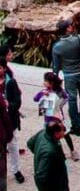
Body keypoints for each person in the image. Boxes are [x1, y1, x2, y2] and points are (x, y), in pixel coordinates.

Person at [51, 13, 80, 137]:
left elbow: (55, 68)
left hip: (69, 76)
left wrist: (54, 83)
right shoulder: (78, 39)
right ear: (67, 29)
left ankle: (75, 126)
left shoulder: (57, 47)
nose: (72, 26)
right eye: (70, 25)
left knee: (72, 100)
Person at [33, 71, 78, 164]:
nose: (44, 83)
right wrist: (42, 94)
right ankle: (57, 154)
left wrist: (59, 106)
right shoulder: (44, 91)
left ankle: (73, 151)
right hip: (48, 119)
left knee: (65, 133)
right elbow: (35, 99)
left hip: (58, 117)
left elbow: (66, 98)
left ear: (51, 83)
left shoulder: (60, 91)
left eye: (45, 81)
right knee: (51, 137)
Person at [26, 119, 69, 191]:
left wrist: (38, 154)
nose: (64, 131)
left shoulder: (43, 132)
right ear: (56, 133)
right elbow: (40, 178)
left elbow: (30, 143)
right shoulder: (49, 153)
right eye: (62, 130)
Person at [0, 53, 23, 184]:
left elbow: (17, 101)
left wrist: (10, 105)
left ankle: (16, 170)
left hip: (10, 120)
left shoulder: (11, 83)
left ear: (4, 68)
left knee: (13, 146)